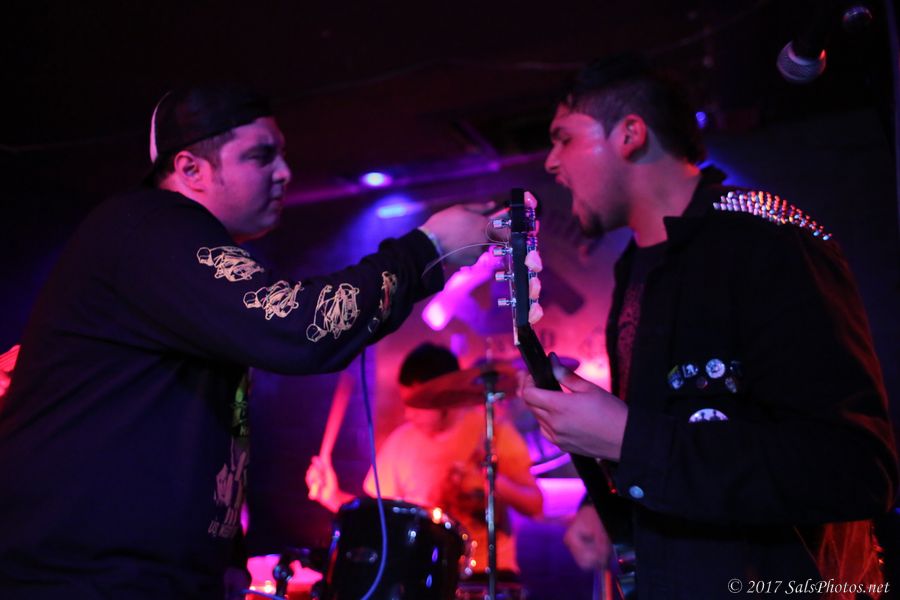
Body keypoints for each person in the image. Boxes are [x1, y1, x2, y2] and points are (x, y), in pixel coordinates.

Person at [0, 84, 494, 599]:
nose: (285, 172)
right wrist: (428, 249)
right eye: (261, 156)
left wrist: (226, 560)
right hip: (78, 579)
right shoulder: (149, 224)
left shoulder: (171, 260)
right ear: (191, 168)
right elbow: (300, 328)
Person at [521, 55, 898, 599]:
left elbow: (856, 469)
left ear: (629, 134)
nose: (551, 162)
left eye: (564, 138)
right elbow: (676, 431)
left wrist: (629, 441)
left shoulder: (766, 239)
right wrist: (600, 498)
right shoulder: (635, 267)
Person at [306, 342, 543, 577]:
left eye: (417, 404)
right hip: (424, 577)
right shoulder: (400, 442)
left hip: (487, 575)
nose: (409, 413)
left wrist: (492, 480)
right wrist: (331, 495)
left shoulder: (494, 433)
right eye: (406, 404)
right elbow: (380, 521)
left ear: (445, 395)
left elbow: (535, 505)